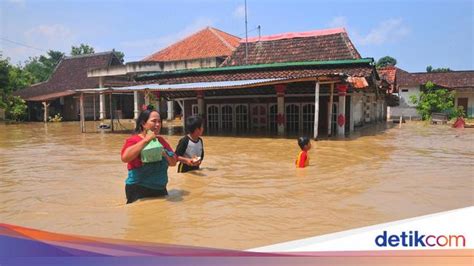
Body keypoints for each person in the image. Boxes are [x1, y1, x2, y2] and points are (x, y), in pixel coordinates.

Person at [120, 106, 177, 204]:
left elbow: (173, 163)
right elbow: (125, 158)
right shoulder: (134, 140)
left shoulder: (161, 141)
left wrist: (164, 153)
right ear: (143, 124)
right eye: (154, 121)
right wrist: (146, 140)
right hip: (138, 188)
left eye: (159, 121)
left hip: (160, 188)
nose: (158, 124)